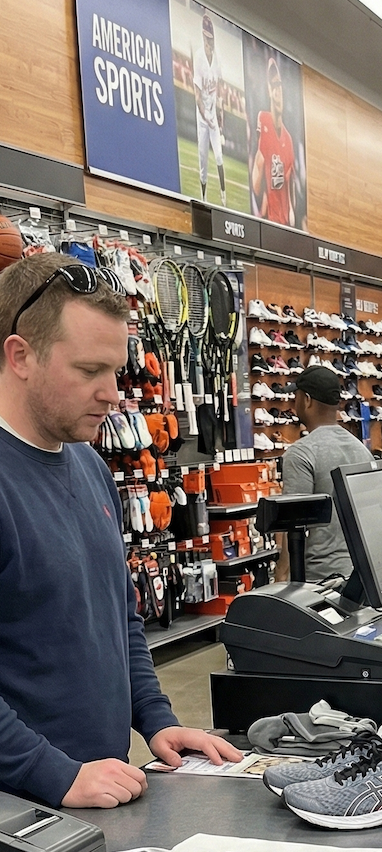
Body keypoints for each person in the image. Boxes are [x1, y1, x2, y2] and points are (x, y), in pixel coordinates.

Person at [0, 253, 242, 809]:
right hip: (22, 815)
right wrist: (53, 773)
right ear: (20, 356)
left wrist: (156, 719)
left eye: (114, 369)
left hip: (98, 795)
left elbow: (120, 618)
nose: (112, 392)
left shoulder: (90, 466)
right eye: (90, 371)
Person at [279, 365, 374, 582]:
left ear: (306, 400)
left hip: (318, 578)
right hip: (359, 576)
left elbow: (290, 525)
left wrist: (281, 575)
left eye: (296, 396)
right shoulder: (361, 450)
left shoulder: (301, 453)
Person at [252, 55, 295, 227]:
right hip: (267, 220)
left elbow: (290, 187)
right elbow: (257, 176)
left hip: (284, 224)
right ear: (269, 90)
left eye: (279, 85)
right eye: (273, 85)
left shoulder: (289, 140)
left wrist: (291, 213)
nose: (277, 91)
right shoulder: (263, 119)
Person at [193, 11, 226, 207]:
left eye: (211, 38)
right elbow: (197, 97)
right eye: (206, 38)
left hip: (213, 115)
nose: (209, 42)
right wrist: (206, 118)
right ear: (203, 36)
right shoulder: (198, 58)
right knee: (203, 162)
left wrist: (219, 118)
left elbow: (220, 90)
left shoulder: (217, 57)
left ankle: (223, 196)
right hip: (202, 118)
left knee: (219, 157)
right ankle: (204, 198)